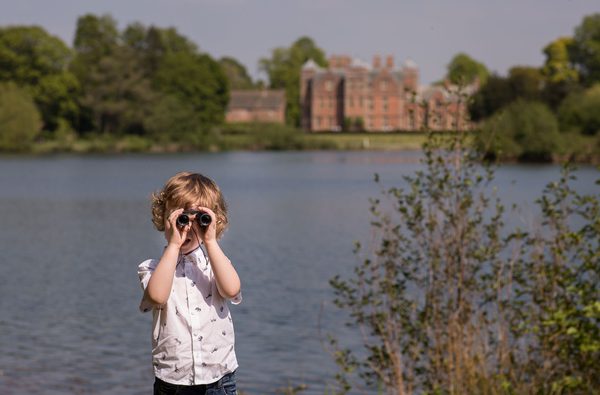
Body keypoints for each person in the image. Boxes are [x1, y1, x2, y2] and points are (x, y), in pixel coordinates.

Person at [137, 172, 242, 395]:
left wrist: (210, 240)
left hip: (219, 379)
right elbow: (157, 296)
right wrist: (174, 246)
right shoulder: (153, 268)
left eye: (199, 220)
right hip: (173, 382)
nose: (187, 227)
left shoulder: (216, 265)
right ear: (164, 218)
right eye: (181, 218)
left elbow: (232, 290)